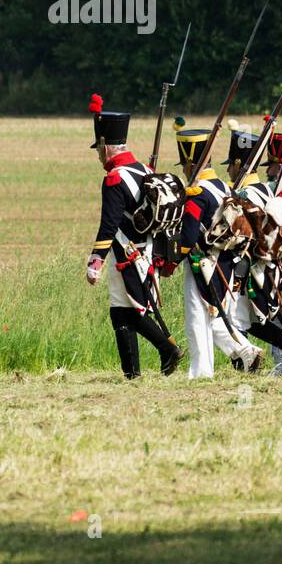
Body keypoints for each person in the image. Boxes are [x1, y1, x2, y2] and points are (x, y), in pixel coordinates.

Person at [84, 94, 184, 379]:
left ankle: (166, 350)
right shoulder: (144, 169)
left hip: (126, 254)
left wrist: (95, 261)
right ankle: (133, 374)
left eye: (99, 148)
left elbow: (109, 224)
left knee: (130, 312)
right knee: (123, 311)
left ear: (106, 146)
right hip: (148, 251)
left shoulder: (114, 178)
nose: (98, 154)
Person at [160, 119, 264, 378]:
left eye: (185, 165)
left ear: (191, 164)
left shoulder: (196, 193)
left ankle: (201, 372)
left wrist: (172, 260)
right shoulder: (223, 186)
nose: (184, 170)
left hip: (203, 263)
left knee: (197, 319)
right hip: (227, 262)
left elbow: (189, 236)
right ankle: (246, 350)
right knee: (214, 318)